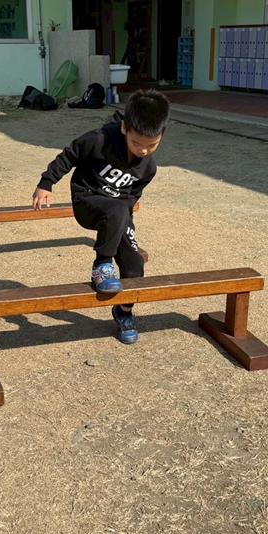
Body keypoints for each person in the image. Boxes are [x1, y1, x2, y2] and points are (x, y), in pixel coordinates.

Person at [31, 89, 169, 344]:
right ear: (125, 128)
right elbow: (68, 155)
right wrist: (46, 183)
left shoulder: (148, 168)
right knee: (117, 209)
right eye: (137, 143)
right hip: (87, 200)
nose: (143, 150)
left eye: (152, 145)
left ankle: (123, 312)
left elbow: (132, 196)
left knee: (134, 265)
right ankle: (102, 265)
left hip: (117, 214)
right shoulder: (99, 140)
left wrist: (125, 222)